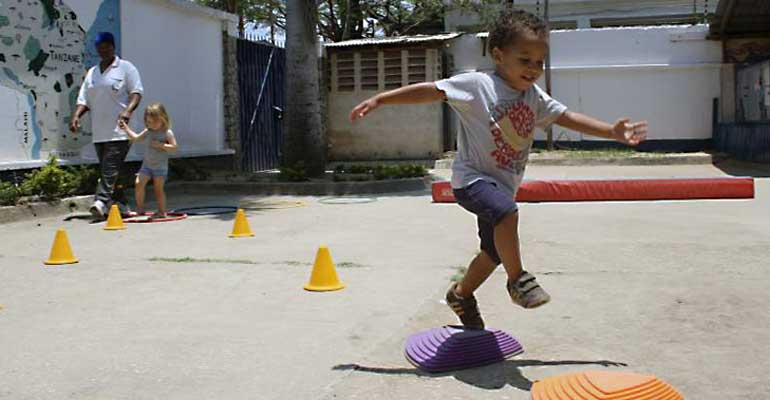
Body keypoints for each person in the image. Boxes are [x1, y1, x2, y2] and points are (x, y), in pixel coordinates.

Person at [349, 9, 647, 329]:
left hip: (501, 186)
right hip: (471, 180)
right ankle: (518, 280)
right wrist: (382, 99)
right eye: (525, 59)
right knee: (507, 213)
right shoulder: (478, 85)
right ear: (499, 55)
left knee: (492, 252)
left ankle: (461, 295)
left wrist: (611, 132)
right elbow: (432, 90)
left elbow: (566, 117)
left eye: (539, 62)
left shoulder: (533, 96)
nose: (533, 69)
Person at [70, 32, 144, 220]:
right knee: (112, 171)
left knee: (109, 168)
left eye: (106, 46)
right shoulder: (92, 73)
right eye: (99, 47)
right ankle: (121, 204)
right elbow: (84, 99)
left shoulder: (126, 68)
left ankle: (100, 201)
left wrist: (128, 111)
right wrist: (77, 116)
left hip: (120, 130)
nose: (103, 50)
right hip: (100, 131)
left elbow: (136, 92)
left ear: (113, 47)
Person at [119, 103, 177, 218]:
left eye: (155, 122)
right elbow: (136, 138)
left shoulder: (167, 132)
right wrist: (126, 128)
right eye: (149, 122)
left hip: (160, 167)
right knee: (138, 184)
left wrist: (161, 145)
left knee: (158, 189)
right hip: (147, 165)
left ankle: (161, 211)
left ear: (163, 119)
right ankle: (140, 209)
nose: (152, 125)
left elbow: (174, 148)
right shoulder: (148, 131)